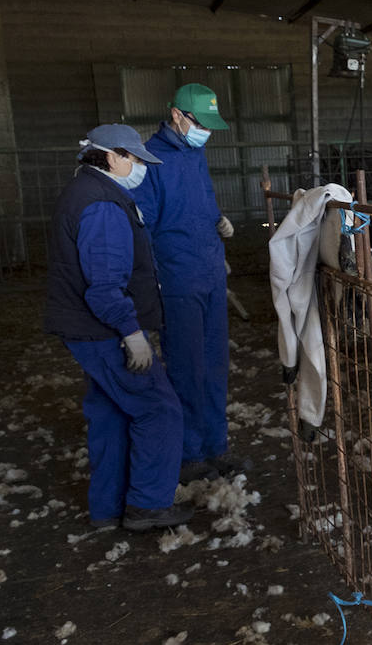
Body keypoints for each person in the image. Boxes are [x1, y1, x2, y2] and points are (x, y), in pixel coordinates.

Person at [44, 124, 191, 531]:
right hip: (103, 330)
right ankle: (148, 504)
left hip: (84, 329)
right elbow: (105, 287)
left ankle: (107, 510)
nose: (140, 166)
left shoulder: (84, 192)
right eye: (134, 158)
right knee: (159, 409)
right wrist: (131, 333)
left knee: (110, 412)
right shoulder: (103, 204)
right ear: (111, 157)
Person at [135, 83, 246, 483]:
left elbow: (200, 199)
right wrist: (150, 282)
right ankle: (189, 452)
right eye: (201, 124)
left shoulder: (195, 153)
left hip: (210, 273)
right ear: (177, 115)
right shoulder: (150, 162)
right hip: (177, 278)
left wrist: (217, 219)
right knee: (187, 366)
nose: (207, 133)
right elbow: (143, 225)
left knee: (216, 364)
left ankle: (217, 445)